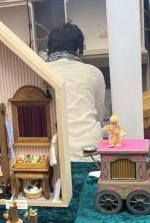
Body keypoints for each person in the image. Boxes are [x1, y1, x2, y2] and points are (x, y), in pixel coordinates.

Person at [45, 23, 105, 160]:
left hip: (59, 152)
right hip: (91, 148)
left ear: (49, 49)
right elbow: (99, 114)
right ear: (78, 50)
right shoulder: (93, 73)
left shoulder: (41, 72)